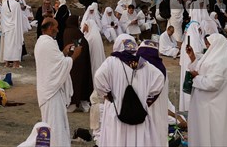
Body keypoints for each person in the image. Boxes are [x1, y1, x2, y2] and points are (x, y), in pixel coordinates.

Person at [92, 34, 165, 146]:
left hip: (117, 111)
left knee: (117, 139)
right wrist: (147, 97)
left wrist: (106, 94)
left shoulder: (111, 62)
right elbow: (159, 79)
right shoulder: (144, 64)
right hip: (138, 112)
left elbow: (98, 77)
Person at [34, 16, 82, 147]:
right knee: (55, 125)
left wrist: (63, 53)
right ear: (50, 28)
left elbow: (53, 63)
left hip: (48, 90)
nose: (58, 29)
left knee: (54, 123)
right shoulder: (47, 43)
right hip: (51, 92)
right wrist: (74, 55)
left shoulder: (43, 42)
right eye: (56, 27)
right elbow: (58, 66)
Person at [186, 33, 227, 147]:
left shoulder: (221, 62)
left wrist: (196, 77)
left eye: (209, 44)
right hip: (203, 104)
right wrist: (192, 58)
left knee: (213, 134)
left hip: (213, 106)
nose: (207, 46)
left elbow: (213, 83)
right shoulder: (212, 58)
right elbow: (202, 69)